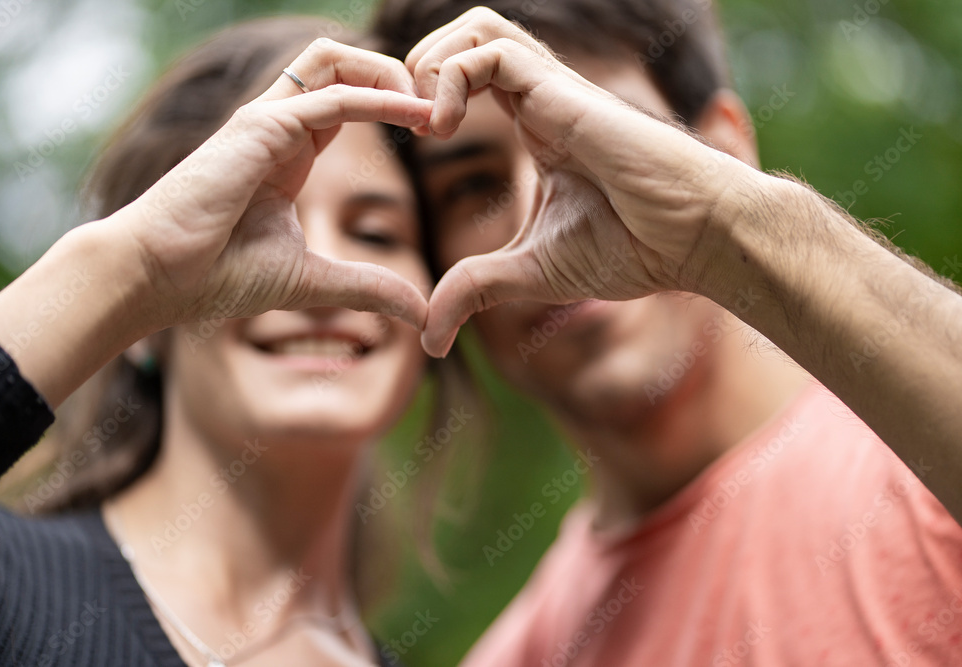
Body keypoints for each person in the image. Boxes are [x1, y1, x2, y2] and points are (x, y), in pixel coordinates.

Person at [372, 1, 962, 664]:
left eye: (591, 133)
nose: (544, 209)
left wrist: (732, 228)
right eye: (473, 185)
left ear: (727, 150)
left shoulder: (927, 461)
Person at [0, 17, 442, 666]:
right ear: (141, 324)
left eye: (377, 233)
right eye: (251, 226)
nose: (318, 277)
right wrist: (130, 273)